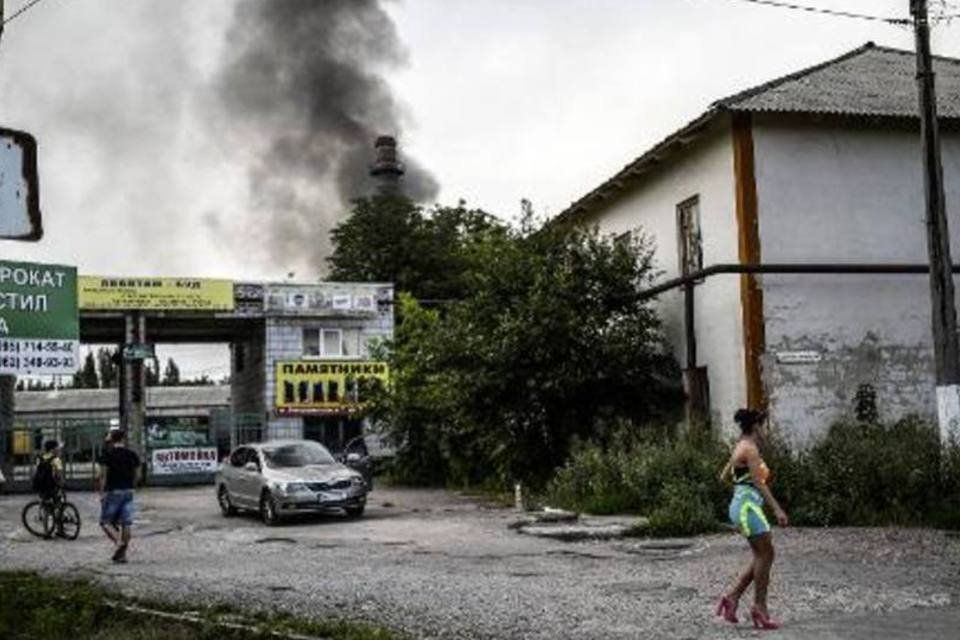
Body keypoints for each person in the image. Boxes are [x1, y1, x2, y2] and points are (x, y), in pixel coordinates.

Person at [716, 409, 788, 630]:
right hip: (748, 509)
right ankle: (759, 607)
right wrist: (777, 510)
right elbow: (759, 483)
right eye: (763, 425)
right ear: (756, 426)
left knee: (762, 554)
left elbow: (723, 477)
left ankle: (733, 597)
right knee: (766, 554)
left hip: (744, 506)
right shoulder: (751, 449)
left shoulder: (740, 446)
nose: (764, 430)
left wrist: (740, 492)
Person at [95, 430, 141, 563]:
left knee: (105, 522)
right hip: (129, 491)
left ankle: (118, 542)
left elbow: (102, 476)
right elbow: (138, 475)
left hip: (113, 491)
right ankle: (123, 555)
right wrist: (131, 486)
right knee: (126, 523)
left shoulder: (107, 455)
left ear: (111, 440)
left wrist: (102, 493)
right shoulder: (132, 454)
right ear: (123, 439)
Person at [33, 439, 65, 504]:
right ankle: (56, 511)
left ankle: (46, 510)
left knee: (46, 500)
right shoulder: (56, 460)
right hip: (52, 486)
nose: (59, 450)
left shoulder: (40, 458)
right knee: (59, 498)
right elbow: (59, 474)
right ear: (52, 449)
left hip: (40, 486)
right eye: (57, 448)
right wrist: (62, 482)